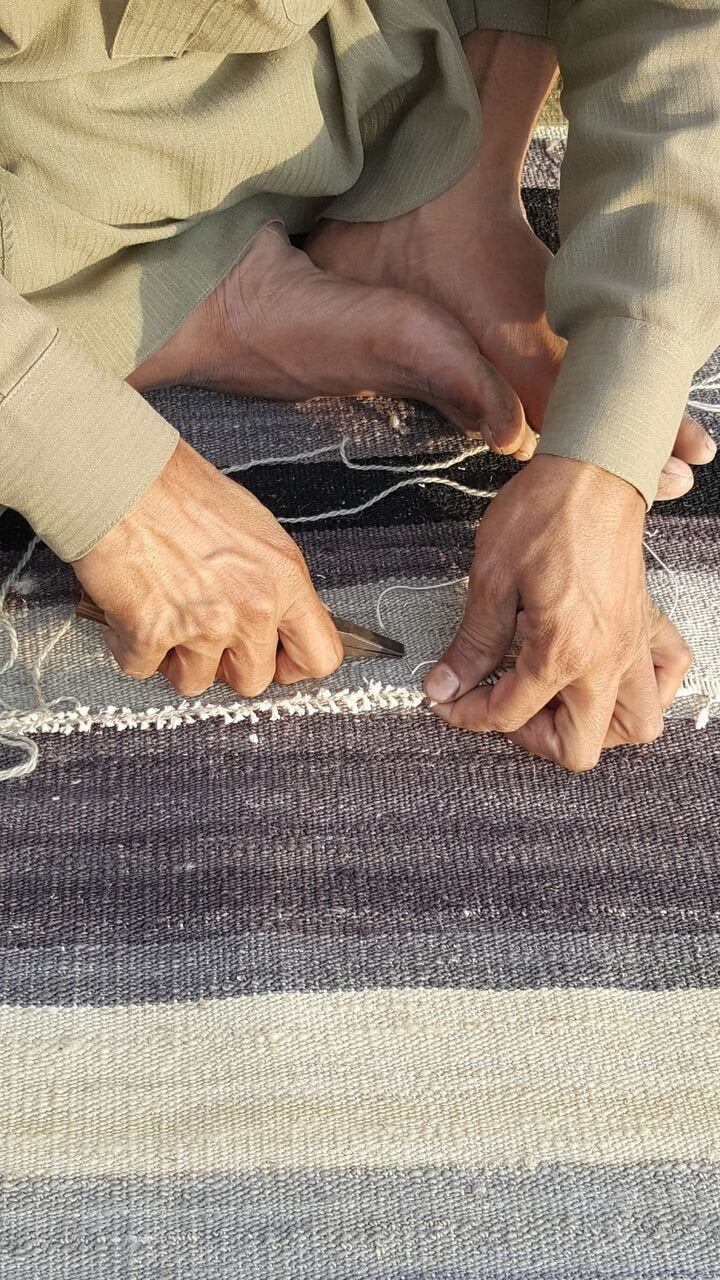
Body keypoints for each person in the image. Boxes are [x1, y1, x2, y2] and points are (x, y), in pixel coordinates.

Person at [1, 1, 718, 771]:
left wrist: (612, 431)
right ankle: (156, 288)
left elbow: (676, 18)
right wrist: (97, 471)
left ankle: (437, 186)